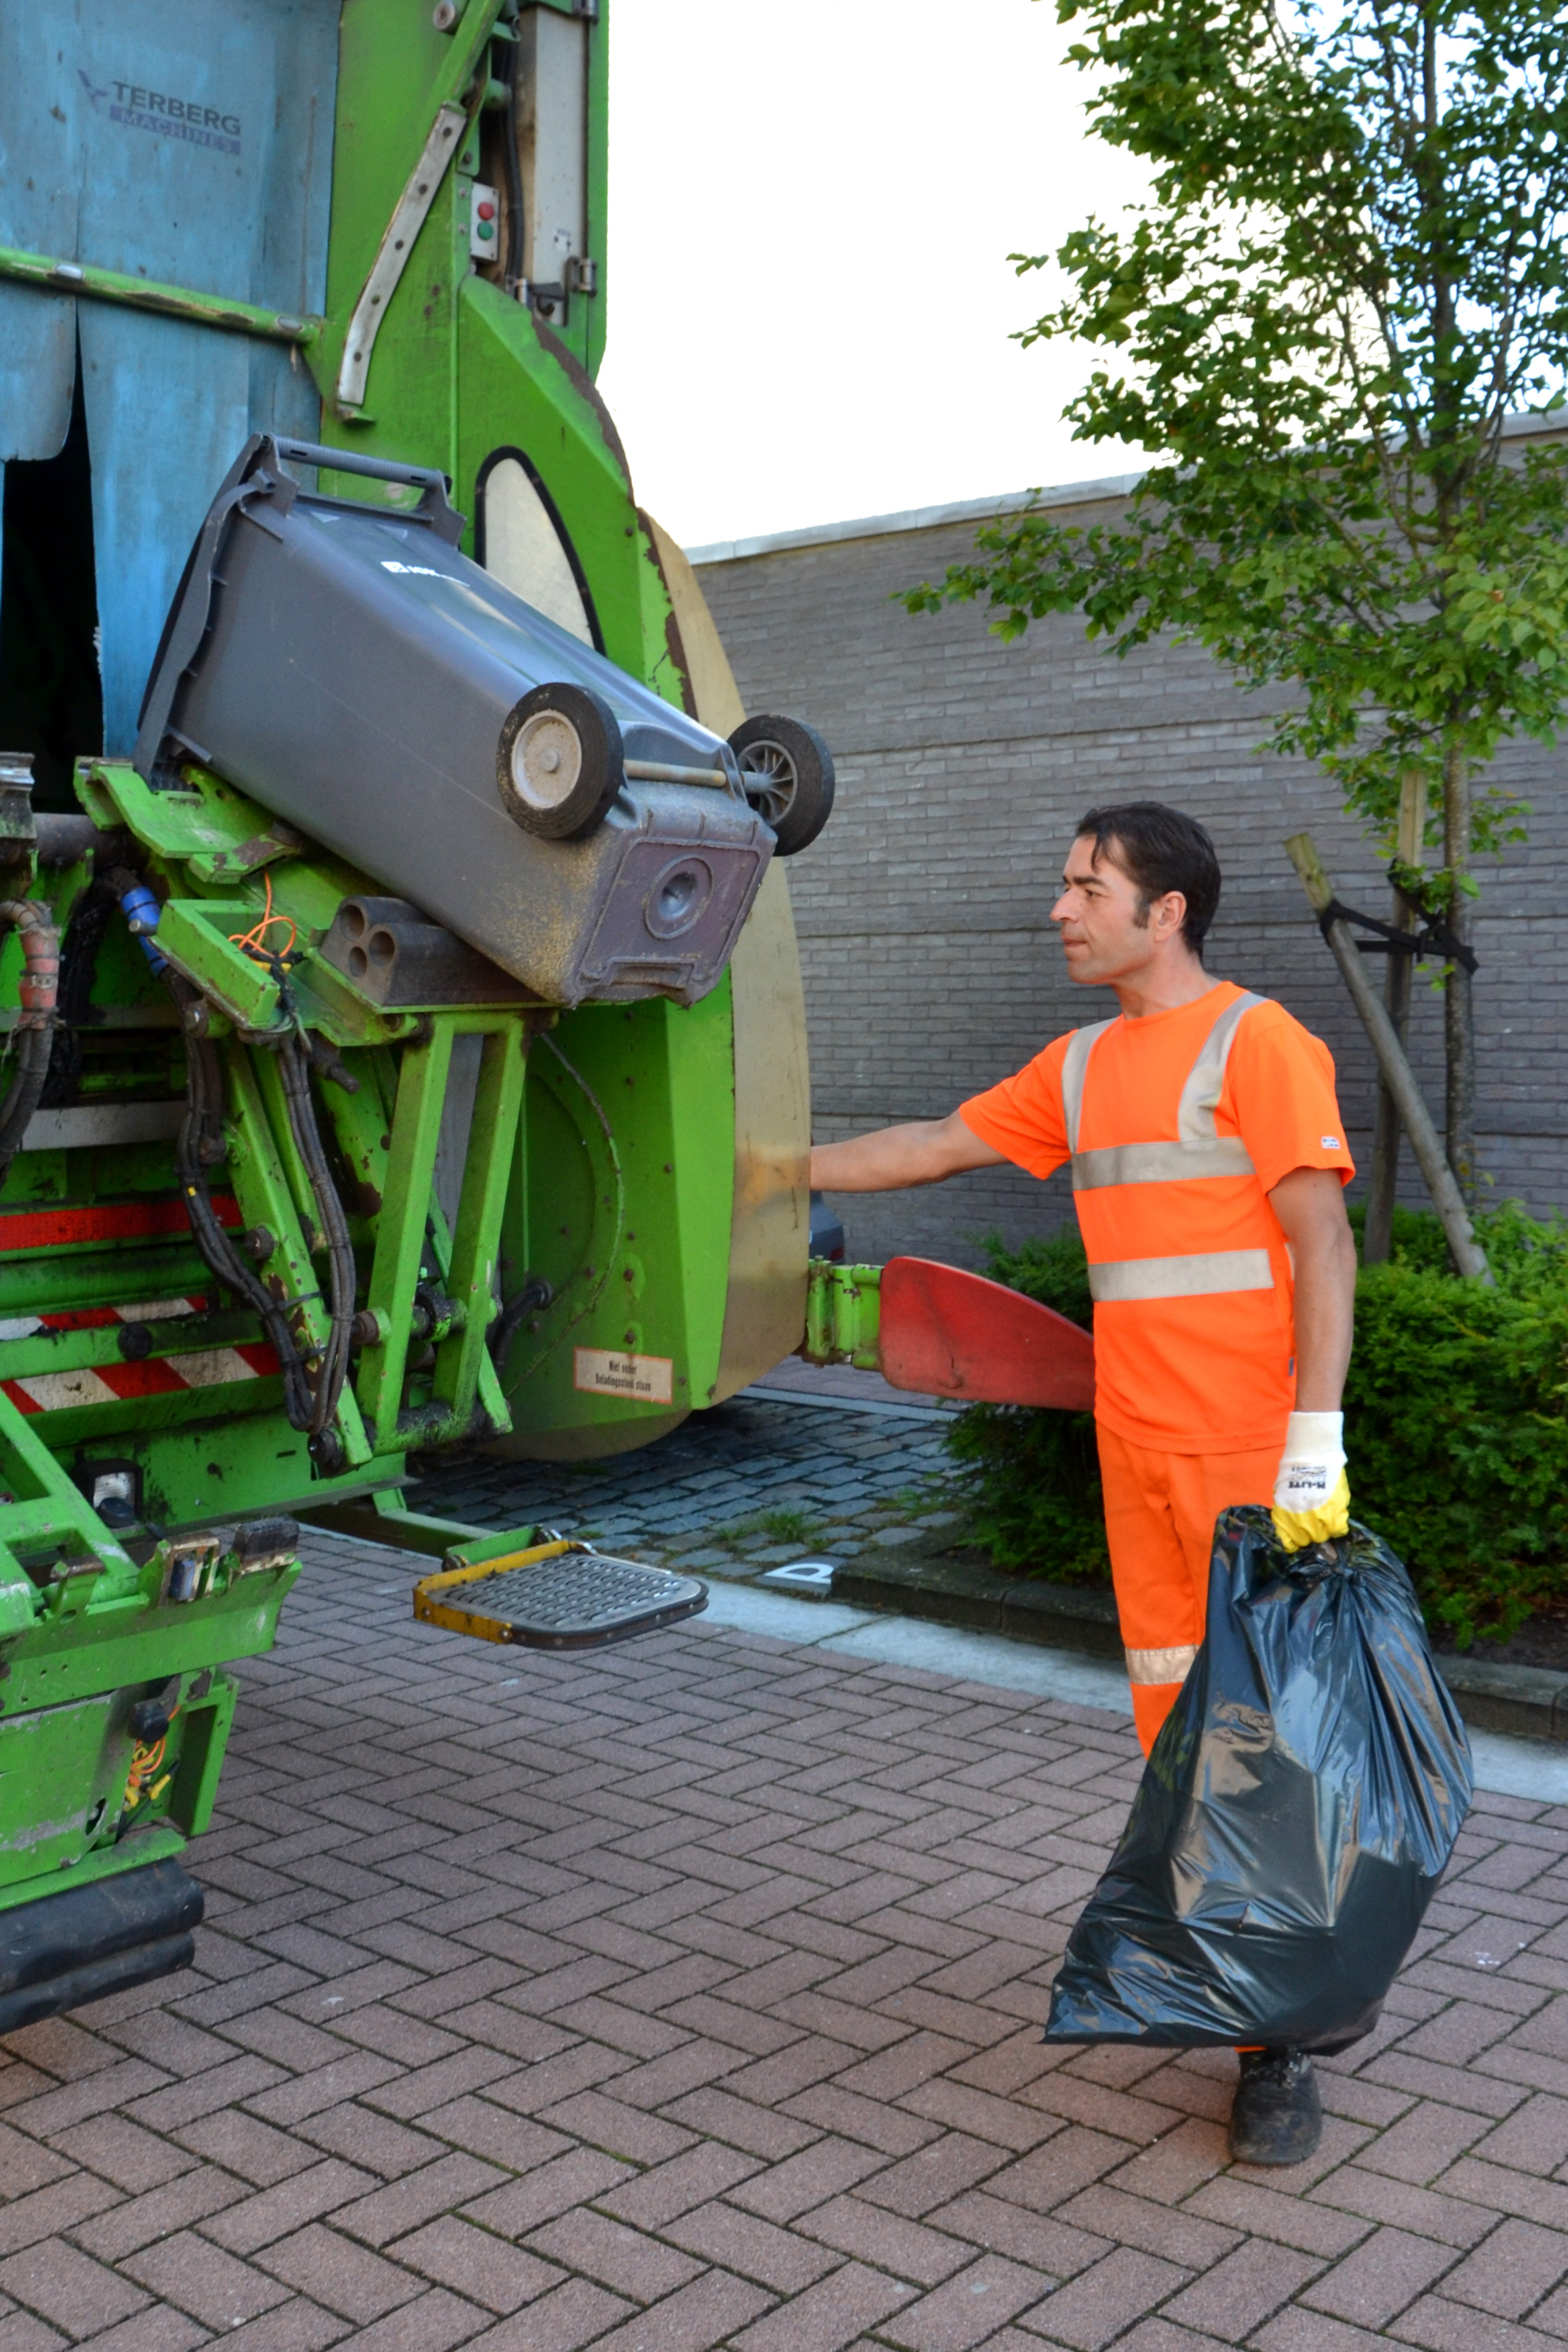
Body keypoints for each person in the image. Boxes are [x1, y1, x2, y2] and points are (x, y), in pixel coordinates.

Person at [809, 801, 1358, 2166]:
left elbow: (1322, 1246)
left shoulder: (1256, 1043)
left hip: (1249, 1458)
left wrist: (1317, 1435)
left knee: (1263, 1748)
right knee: (1176, 1742)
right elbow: (932, 1145)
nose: (1057, 909)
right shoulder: (1079, 1064)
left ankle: (1279, 2047)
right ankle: (1231, 1987)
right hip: (1135, 1452)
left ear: (1162, 910)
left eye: (1082, 886)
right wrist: (758, 1176)